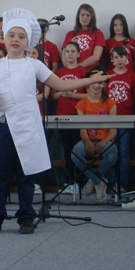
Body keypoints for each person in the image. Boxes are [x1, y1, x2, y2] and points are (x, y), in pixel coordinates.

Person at [0, 8, 110, 235]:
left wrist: (91, 80)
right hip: (4, 126)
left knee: (27, 173)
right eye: (12, 35)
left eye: (21, 36)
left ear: (28, 41)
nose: (16, 39)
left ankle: (26, 216)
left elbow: (61, 84)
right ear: (5, 38)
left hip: (28, 126)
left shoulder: (35, 65)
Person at [72, 70, 117, 203]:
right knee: (75, 154)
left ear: (103, 84)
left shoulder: (111, 103)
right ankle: (100, 182)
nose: (96, 85)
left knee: (113, 153)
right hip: (88, 139)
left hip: (105, 140)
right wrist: (87, 141)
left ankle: (93, 180)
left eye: (99, 83)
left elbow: (113, 131)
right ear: (88, 84)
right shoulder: (81, 104)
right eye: (93, 82)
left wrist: (103, 142)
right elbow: (82, 129)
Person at [51, 41, 89, 181]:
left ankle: (81, 181)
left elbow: (90, 95)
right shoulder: (59, 73)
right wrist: (61, 92)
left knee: (78, 150)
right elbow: (52, 96)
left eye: (73, 51)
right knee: (67, 150)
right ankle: (70, 182)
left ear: (78, 54)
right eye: (67, 51)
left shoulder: (83, 71)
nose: (70, 54)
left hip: (78, 116)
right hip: (62, 115)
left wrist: (72, 95)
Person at [106, 45, 135, 193]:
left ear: (126, 58)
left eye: (121, 57)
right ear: (112, 60)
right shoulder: (107, 75)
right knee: (112, 152)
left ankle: (122, 184)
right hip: (110, 120)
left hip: (126, 119)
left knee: (124, 152)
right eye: (116, 57)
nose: (119, 60)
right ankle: (112, 184)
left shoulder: (132, 76)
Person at [63, 3, 106, 68]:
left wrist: (78, 67)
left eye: (88, 15)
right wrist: (69, 68)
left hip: (91, 70)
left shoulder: (98, 33)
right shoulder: (69, 34)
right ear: (78, 16)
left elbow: (96, 57)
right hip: (72, 70)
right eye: (82, 15)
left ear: (92, 17)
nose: (85, 17)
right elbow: (64, 55)